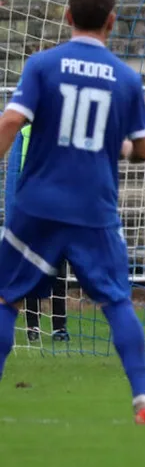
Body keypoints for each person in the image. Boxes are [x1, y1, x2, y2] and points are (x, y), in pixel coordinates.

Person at [0, 0, 145, 423]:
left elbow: (12, 122)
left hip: (38, 205)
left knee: (5, 298)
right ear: (112, 22)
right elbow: (144, 150)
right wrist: (121, 146)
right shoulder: (126, 79)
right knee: (116, 302)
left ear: (67, 16)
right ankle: (142, 400)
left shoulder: (42, 65)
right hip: (94, 209)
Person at [5, 125, 70, 343]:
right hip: (30, 213)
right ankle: (33, 327)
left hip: (57, 214)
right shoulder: (25, 133)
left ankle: (59, 327)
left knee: (58, 272)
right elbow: (14, 175)